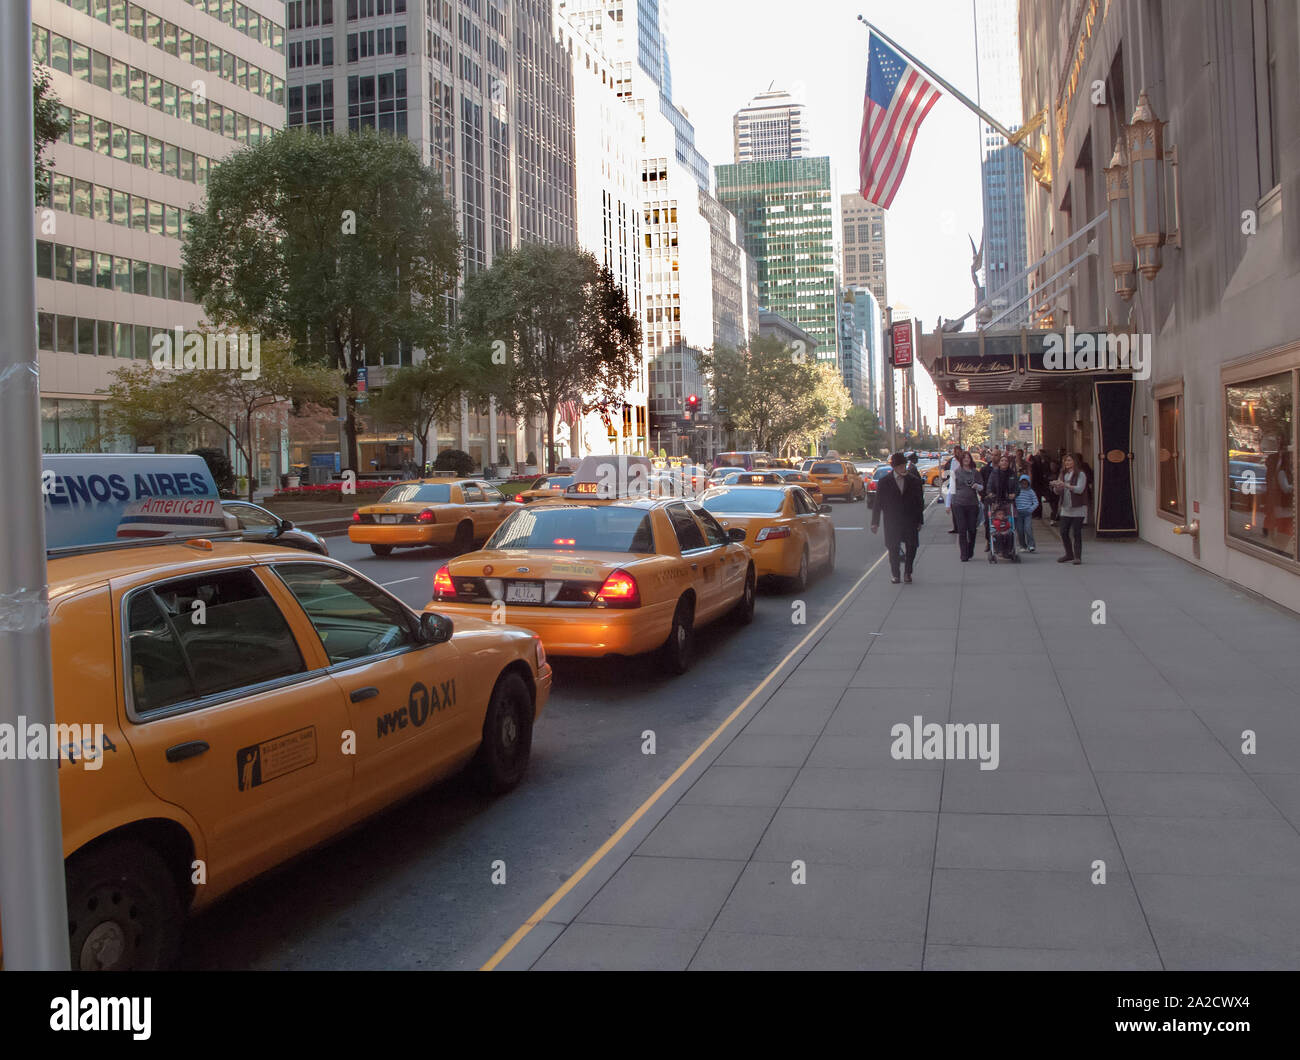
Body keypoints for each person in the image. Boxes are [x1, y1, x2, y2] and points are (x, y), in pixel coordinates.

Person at [871, 452, 925, 583]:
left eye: (904, 465)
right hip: (892, 521)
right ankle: (895, 574)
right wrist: (875, 522)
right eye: (900, 466)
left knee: (912, 546)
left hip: (910, 519)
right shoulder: (884, 482)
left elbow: (919, 502)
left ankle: (908, 572)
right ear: (894, 467)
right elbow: (877, 503)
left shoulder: (914, 481)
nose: (903, 468)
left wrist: (920, 520)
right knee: (893, 547)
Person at [1051, 453, 1088, 563]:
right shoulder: (1063, 473)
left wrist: (1065, 485)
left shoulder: (1081, 474)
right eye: (1066, 461)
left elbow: (1080, 489)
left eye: (1070, 460)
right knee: (1063, 532)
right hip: (1066, 507)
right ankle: (1069, 554)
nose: (1067, 463)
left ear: (1075, 462)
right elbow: (1058, 491)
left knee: (1076, 532)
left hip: (1078, 507)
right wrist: (1056, 487)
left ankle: (1077, 557)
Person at [950, 451, 983, 561]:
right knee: (962, 529)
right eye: (964, 458)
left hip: (972, 504)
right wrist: (948, 505)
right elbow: (951, 489)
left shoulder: (975, 472)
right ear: (961, 460)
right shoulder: (955, 472)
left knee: (972, 529)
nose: (966, 459)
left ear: (970, 460)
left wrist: (976, 486)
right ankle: (963, 554)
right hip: (958, 504)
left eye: (968, 458)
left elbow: (982, 487)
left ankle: (970, 550)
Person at [1014, 472, 1037, 552]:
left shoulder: (1031, 491)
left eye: (1025, 483)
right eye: (1022, 483)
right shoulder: (1017, 491)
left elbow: (1036, 502)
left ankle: (1031, 545)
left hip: (1027, 513)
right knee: (1020, 530)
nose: (1024, 484)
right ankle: (1022, 545)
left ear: (1028, 483)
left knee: (1028, 529)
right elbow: (1014, 500)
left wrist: (1030, 509)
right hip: (1018, 513)